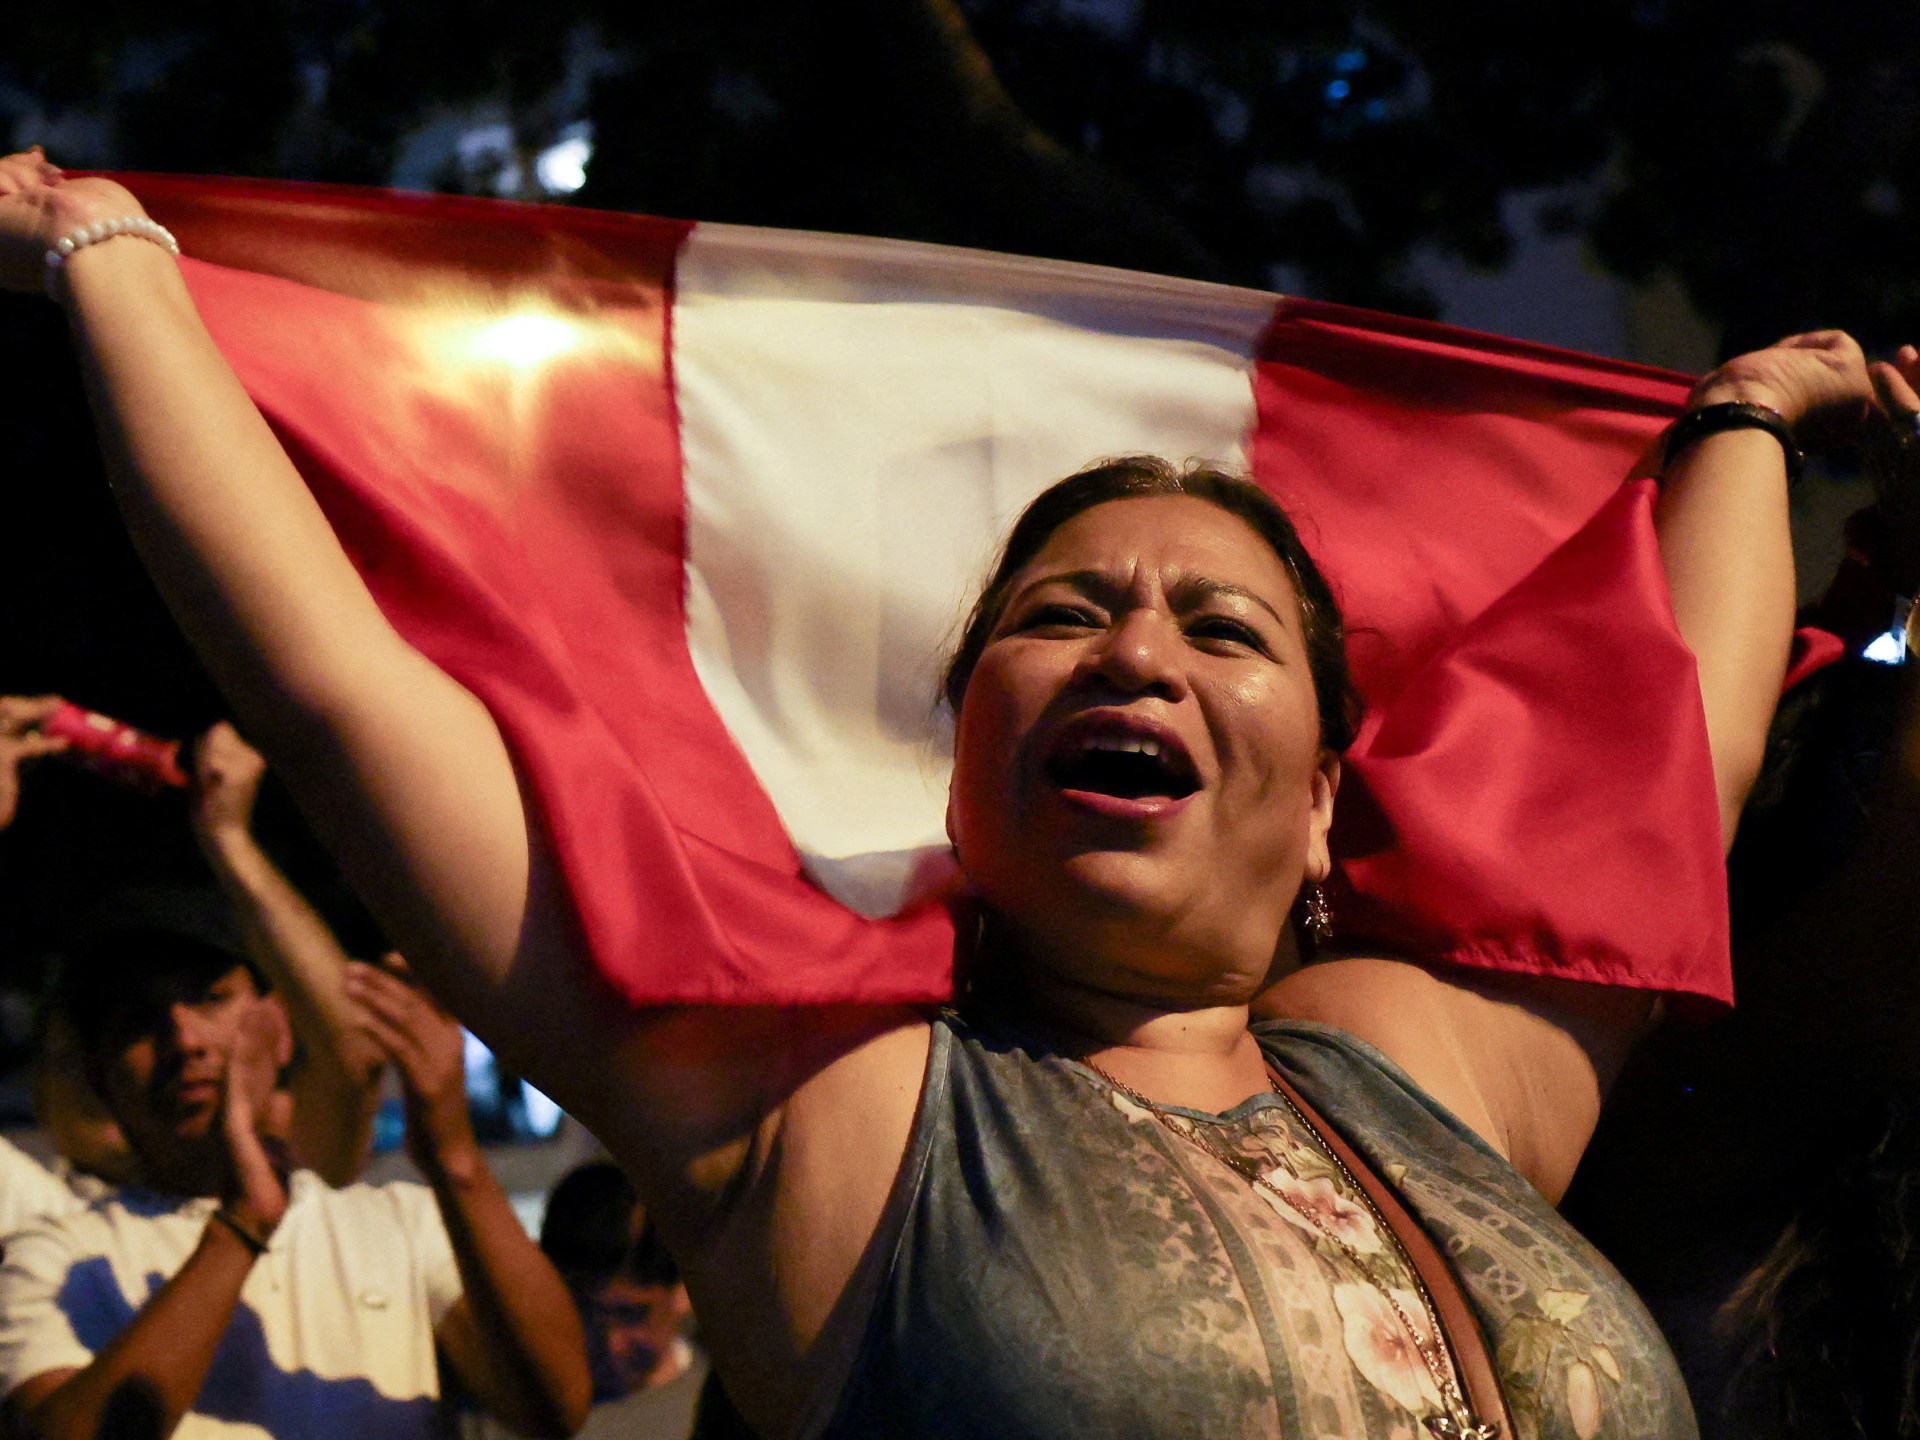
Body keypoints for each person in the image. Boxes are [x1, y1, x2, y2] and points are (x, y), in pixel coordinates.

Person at [0, 147, 1895, 1438]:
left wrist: (1745, 417)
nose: (1136, 648)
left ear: (1326, 800)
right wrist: (113, 260)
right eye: (1061, 615)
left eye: (1221, 628)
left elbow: (1664, 733)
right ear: (966, 774)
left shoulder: (1432, 1078)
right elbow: (343, 690)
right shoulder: (817, 1116)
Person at [0, 927, 590, 1440]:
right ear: (101, 1078)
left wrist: (453, 1154)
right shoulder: (56, 1257)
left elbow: (555, 1405)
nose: (184, 1040)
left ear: (280, 1029)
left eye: (209, 998)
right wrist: (243, 1225)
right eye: (138, 1022)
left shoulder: (400, 1222)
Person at [526, 1159, 706, 1439]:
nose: (611, 1343)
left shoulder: (726, 1411)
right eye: (584, 1310)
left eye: (631, 1315)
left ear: (684, 1290)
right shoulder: (508, 1404)